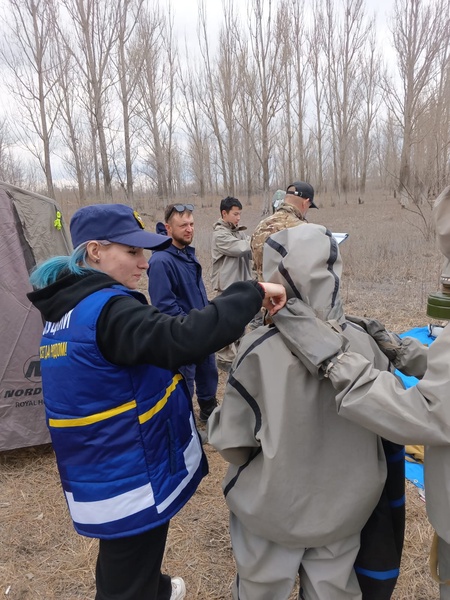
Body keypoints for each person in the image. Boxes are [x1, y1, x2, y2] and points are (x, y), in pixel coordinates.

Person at [27, 202, 287, 600]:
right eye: (132, 252)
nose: (144, 263)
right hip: (128, 472)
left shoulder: (69, 308)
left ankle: (156, 587)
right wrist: (251, 293)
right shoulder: (110, 311)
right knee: (125, 573)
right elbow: (182, 337)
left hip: (100, 466)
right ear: (95, 251)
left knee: (128, 553)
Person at [271, 185, 450, 599]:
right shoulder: (349, 343)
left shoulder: (336, 346)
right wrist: (400, 349)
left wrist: (336, 361)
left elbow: (428, 413)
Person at [208, 223, 404, 600]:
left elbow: (232, 443)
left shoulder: (257, 350)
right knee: (334, 590)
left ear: (275, 275)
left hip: (271, 514)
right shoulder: (368, 343)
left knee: (262, 589)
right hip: (346, 515)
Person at [148, 203, 218, 422]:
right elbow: (165, 305)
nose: (189, 229)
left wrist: (208, 318)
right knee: (184, 383)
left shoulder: (187, 254)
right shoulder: (161, 260)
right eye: (183, 225)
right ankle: (186, 427)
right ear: (168, 228)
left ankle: (209, 416)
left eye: (191, 224)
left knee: (208, 375)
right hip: (182, 335)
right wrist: (190, 328)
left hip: (201, 332)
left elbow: (195, 293)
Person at [211, 196, 253, 371]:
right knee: (226, 325)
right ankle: (225, 361)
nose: (238, 218)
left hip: (241, 285)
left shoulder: (238, 232)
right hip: (227, 288)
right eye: (235, 214)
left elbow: (249, 251)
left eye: (240, 214)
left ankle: (238, 356)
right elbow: (240, 248)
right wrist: (256, 239)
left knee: (240, 324)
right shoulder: (220, 235)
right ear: (224, 213)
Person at [251, 180, 318, 280]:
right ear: (305, 202)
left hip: (261, 291)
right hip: (287, 294)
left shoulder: (261, 226)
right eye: (309, 206)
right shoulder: (302, 229)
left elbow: (255, 267)